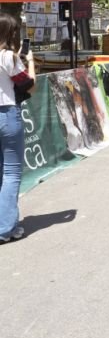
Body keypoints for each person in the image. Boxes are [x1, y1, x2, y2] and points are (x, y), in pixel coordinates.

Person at [0, 14, 36, 244]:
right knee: (12, 172)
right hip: (6, 114)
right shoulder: (8, 57)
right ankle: (4, 228)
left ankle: (10, 225)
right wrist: (30, 62)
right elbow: (29, 85)